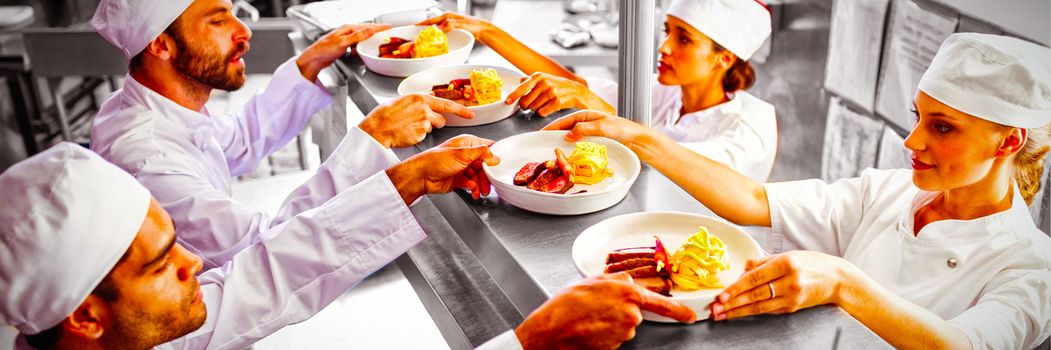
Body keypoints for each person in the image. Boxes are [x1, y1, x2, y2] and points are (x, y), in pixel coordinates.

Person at [544, 33, 1051, 349]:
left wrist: (840, 281)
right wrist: (640, 137)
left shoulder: (1033, 267)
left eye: (943, 128)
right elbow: (752, 200)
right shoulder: (889, 193)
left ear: (1008, 141)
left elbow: (963, 344)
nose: (911, 140)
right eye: (917, 117)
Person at [0, 143, 696, 350]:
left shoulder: (123, 333)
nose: (194, 265)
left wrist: (402, 181)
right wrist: (529, 343)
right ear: (86, 316)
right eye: (162, 264)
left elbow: (254, 281)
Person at [89, 0, 468, 269]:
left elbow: (236, 141)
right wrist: (372, 138)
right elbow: (265, 251)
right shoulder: (147, 159)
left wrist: (309, 63)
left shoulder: (148, 108)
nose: (244, 32)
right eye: (218, 21)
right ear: (161, 44)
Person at [420, 0, 778, 181]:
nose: (664, 47)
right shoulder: (667, 94)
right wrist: (488, 32)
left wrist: (594, 104)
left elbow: (686, 168)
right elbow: (577, 87)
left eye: (683, 39)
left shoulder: (751, 128)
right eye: (667, 31)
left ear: (724, 58)